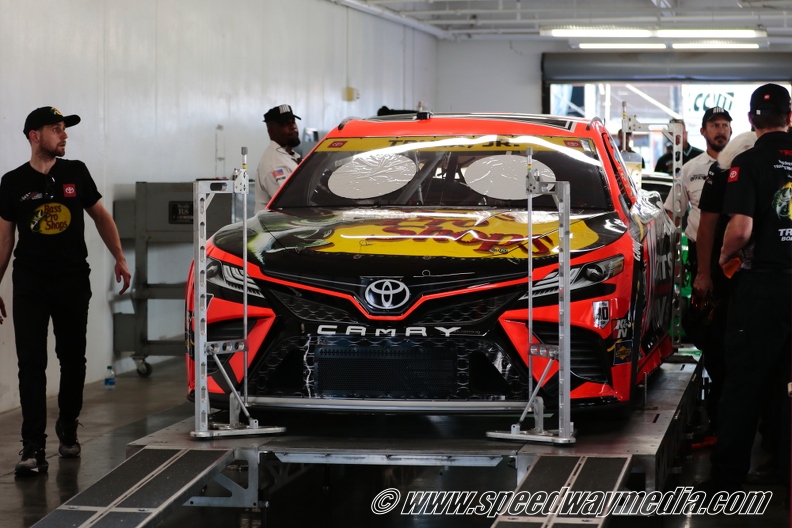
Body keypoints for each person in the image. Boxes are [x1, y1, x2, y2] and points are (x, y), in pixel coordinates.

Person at [0, 106, 131, 475]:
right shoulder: (12, 182)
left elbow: (101, 217)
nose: (64, 135)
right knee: (32, 364)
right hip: (30, 283)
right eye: (56, 129)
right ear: (34, 135)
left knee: (72, 360)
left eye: (64, 129)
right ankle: (32, 447)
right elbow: (5, 238)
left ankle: (68, 425)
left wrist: (120, 258)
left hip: (72, 279)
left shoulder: (76, 172)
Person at [702, 83, 792, 495]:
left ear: (753, 120)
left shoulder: (747, 163)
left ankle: (727, 483)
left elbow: (740, 230)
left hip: (763, 287)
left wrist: (722, 260)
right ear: (790, 118)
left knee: (744, 385)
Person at [693, 130, 756, 439]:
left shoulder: (760, 169)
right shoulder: (720, 176)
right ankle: (720, 426)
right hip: (726, 276)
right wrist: (704, 273)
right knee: (722, 351)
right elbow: (706, 227)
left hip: (754, 278)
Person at [664, 107, 733, 289]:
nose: (721, 130)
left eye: (725, 125)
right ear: (703, 131)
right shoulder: (689, 169)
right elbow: (671, 213)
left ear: (731, 130)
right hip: (700, 254)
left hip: (735, 252)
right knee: (701, 312)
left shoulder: (742, 165)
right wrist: (672, 258)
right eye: (715, 125)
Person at [255, 104, 302, 212]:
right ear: (271, 131)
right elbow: (291, 204)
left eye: (293, 122)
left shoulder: (288, 156)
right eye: (285, 124)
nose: (292, 126)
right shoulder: (275, 164)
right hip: (276, 227)